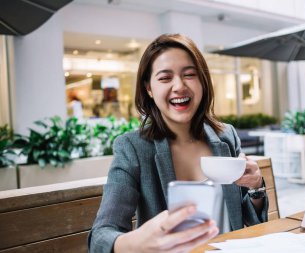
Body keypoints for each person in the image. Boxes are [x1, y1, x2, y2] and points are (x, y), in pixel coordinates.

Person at [88, 34, 268, 253]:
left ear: (202, 82)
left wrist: (256, 185)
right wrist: (136, 243)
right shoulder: (132, 148)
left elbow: (251, 219)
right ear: (149, 89)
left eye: (189, 74)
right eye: (165, 78)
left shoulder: (226, 136)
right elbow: (100, 235)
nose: (179, 86)